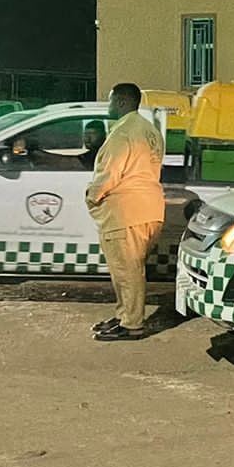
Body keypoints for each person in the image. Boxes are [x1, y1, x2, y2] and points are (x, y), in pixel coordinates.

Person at [86, 84, 166, 341]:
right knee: (131, 269)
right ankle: (124, 316)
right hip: (150, 209)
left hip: (126, 213)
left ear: (121, 102)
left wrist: (91, 196)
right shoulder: (150, 131)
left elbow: (109, 173)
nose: (108, 106)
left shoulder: (122, 134)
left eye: (110, 101)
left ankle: (131, 324)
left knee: (126, 272)